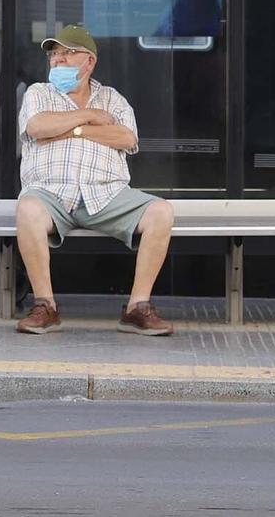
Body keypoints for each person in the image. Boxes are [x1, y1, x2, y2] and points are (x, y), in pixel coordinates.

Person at [14, 26, 177, 337]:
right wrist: (89, 115)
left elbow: (126, 137)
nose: (58, 60)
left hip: (107, 194)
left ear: (89, 62)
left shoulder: (112, 99)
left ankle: (137, 307)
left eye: (67, 53)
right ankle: (45, 306)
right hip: (50, 192)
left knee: (161, 211)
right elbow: (37, 127)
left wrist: (72, 131)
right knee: (28, 209)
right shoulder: (39, 93)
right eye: (54, 55)